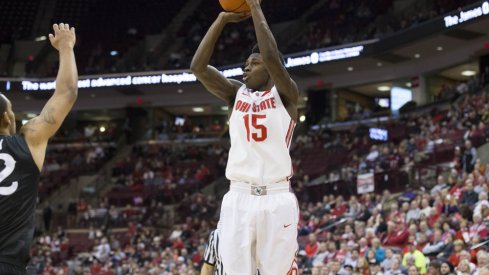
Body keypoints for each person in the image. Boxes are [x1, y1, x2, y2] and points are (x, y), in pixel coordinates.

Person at [190, 0, 299, 273]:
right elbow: (198, 68)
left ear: (271, 71)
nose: (245, 69)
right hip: (238, 196)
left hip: (276, 197)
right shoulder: (235, 93)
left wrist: (254, 6)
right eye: (245, 64)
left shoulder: (286, 95)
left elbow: (272, 57)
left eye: (253, 63)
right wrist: (221, 20)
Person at [0, 23, 78, 274]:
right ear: (5, 118)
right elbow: (66, 92)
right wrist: (66, 47)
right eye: (12, 111)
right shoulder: (26, 143)